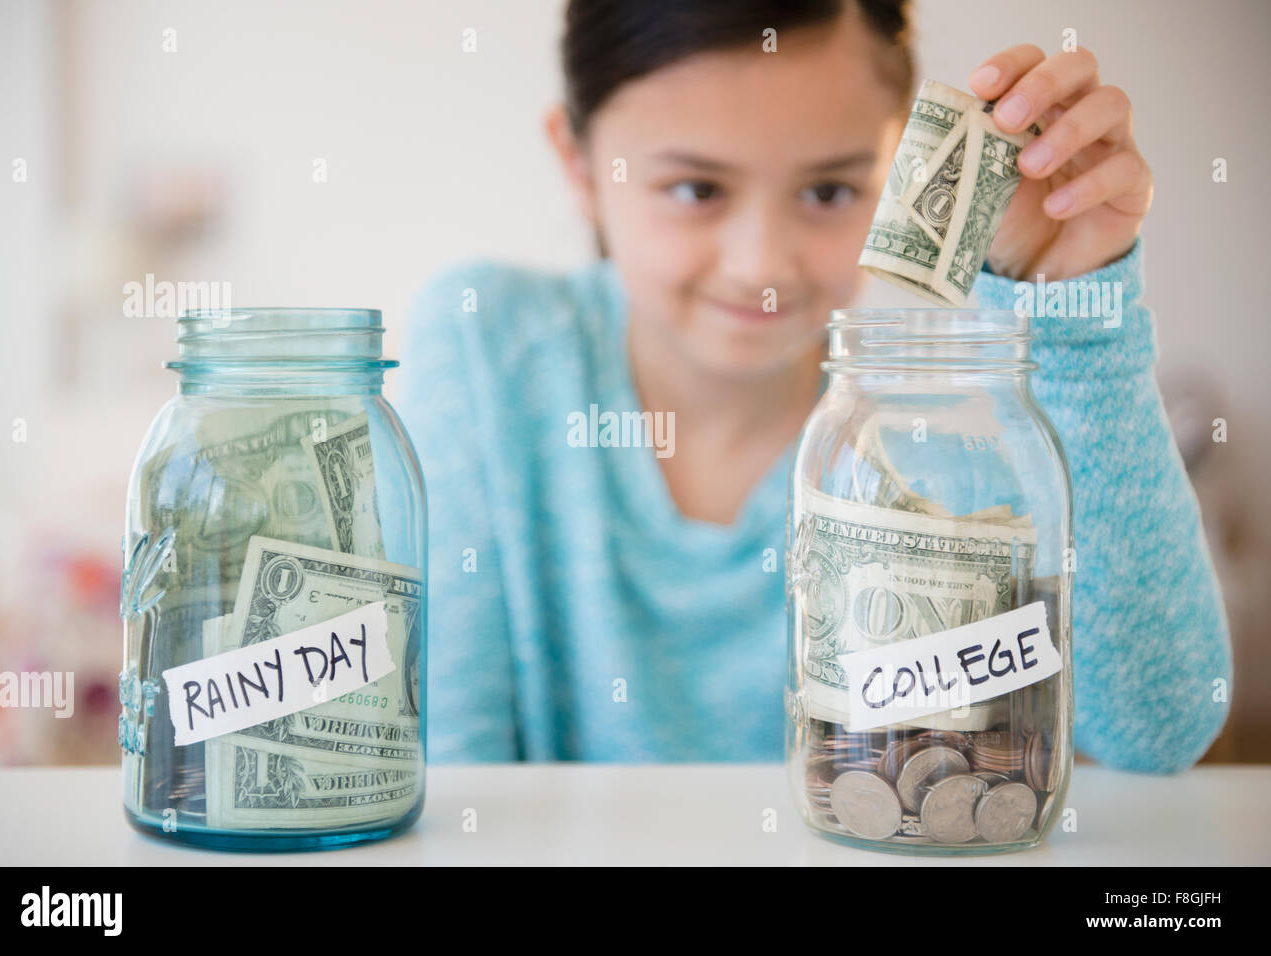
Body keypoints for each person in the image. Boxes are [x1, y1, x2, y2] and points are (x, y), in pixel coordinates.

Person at [394, 0, 1231, 770]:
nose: (762, 265)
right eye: (696, 189)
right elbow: (460, 774)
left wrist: (1076, 316)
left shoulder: (950, 411)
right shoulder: (482, 344)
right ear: (579, 165)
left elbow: (1160, 729)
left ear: (904, 166)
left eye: (829, 190)